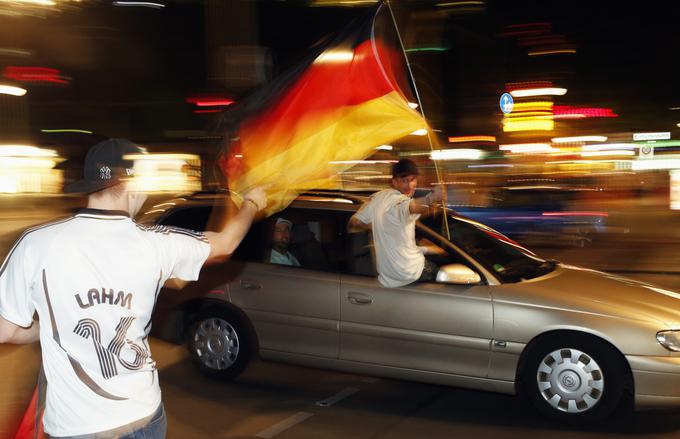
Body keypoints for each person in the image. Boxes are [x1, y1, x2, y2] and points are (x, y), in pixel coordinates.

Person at [0, 138, 267, 439]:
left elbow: (6, 331)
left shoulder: (36, 244)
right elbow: (225, 243)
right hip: (144, 417)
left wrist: (42, 328)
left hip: (78, 428)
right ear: (133, 187)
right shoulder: (155, 244)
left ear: (90, 186)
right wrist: (251, 203)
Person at [348, 158, 442, 287]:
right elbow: (411, 207)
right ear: (394, 182)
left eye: (412, 179)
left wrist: (380, 225)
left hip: (387, 275)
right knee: (444, 272)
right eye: (404, 180)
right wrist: (432, 198)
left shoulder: (378, 198)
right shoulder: (399, 202)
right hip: (407, 272)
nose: (410, 185)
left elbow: (354, 222)